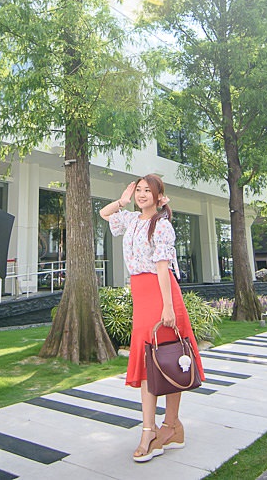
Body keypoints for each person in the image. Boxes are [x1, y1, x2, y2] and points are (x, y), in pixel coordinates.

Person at [100, 174, 205, 463]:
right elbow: (105, 213)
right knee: (152, 360)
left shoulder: (162, 225)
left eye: (148, 190)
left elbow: (162, 268)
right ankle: (157, 428)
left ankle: (166, 427)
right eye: (139, 190)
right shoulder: (132, 219)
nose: (142, 194)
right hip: (142, 293)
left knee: (168, 358)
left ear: (159, 197)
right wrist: (122, 200)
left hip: (162, 294)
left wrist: (168, 308)